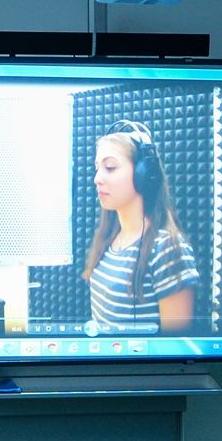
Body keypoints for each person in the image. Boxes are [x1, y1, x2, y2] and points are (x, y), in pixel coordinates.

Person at [83, 120, 199, 334]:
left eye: (110, 168)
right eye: (97, 168)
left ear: (144, 174)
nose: (97, 179)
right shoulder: (111, 237)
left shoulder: (167, 249)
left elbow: (176, 344)